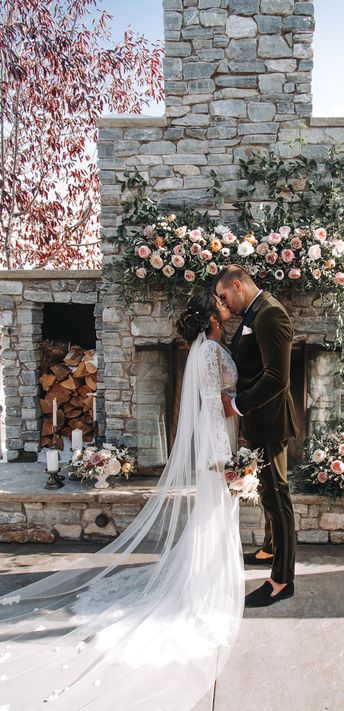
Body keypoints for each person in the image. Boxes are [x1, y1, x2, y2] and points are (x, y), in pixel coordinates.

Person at [0, 292, 244, 711]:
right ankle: (208, 587)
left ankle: (207, 574)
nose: (225, 308)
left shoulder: (200, 350)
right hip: (218, 439)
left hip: (212, 437)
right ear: (212, 320)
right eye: (220, 305)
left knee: (211, 512)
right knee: (215, 511)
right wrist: (238, 415)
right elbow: (221, 401)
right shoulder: (212, 352)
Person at [214, 264, 298, 607]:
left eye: (224, 296)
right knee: (267, 493)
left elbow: (277, 377)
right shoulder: (252, 314)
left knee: (278, 497)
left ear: (238, 284)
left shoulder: (270, 315)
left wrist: (237, 406)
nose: (224, 303)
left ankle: (282, 580)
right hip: (258, 421)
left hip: (272, 421)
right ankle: (268, 550)